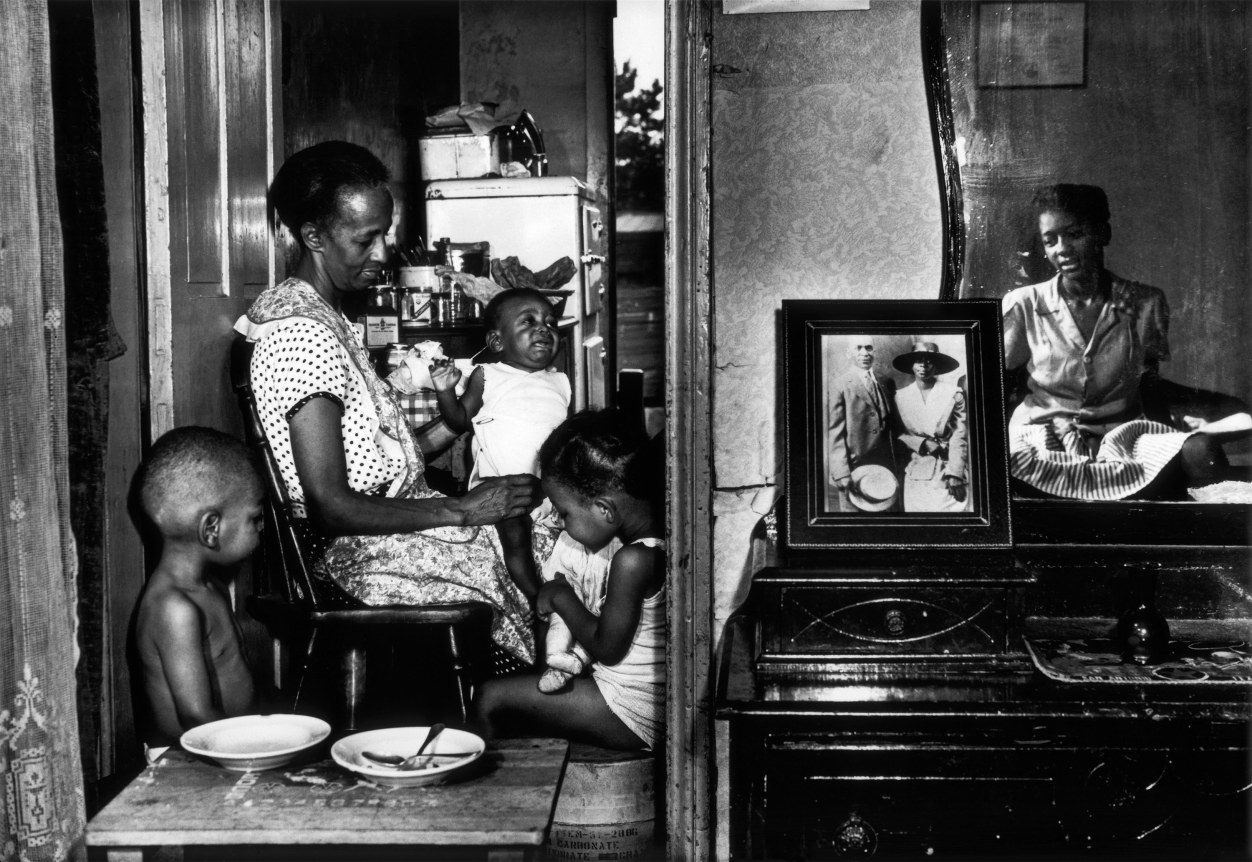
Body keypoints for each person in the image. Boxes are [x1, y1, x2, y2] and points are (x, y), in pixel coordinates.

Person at [233, 140, 546, 667]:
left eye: (387, 233)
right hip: (355, 555)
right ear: (313, 236)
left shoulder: (321, 313)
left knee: (543, 524)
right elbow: (333, 506)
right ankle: (527, 698)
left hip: (384, 521)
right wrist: (463, 507)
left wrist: (455, 426)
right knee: (536, 565)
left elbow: (370, 459)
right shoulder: (300, 337)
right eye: (365, 239)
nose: (383, 254)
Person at [1003, 183, 1250, 500]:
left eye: (1075, 234)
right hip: (1043, 434)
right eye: (1050, 241)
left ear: (1102, 234)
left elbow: (1148, 382)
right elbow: (1001, 381)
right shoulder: (1025, 304)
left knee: (1200, 451)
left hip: (1122, 435)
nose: (1061, 248)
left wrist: (1200, 412)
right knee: (1004, 461)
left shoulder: (1146, 303)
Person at [472, 409, 666, 751]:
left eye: (565, 513)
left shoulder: (633, 559)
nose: (561, 523)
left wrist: (562, 596)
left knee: (489, 697)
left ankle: (493, 798)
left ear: (605, 509)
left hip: (632, 708)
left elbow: (607, 648)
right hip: (629, 695)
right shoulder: (646, 542)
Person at [430, 287, 571, 613]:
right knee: (516, 534)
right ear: (497, 342)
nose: (543, 328)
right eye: (529, 322)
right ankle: (537, 595)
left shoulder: (560, 381)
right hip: (500, 492)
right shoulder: (489, 375)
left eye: (550, 323)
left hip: (547, 490)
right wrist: (445, 391)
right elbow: (460, 420)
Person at [133, 426, 261, 756]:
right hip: (185, 757)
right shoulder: (174, 608)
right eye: (255, 518)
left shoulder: (209, 587)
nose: (261, 528)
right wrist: (254, 750)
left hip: (223, 744)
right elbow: (195, 715)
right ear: (212, 529)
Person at [892, 341, 970, 512]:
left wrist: (955, 473)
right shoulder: (900, 396)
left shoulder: (953, 394)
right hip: (917, 469)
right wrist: (922, 443)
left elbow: (960, 434)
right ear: (911, 365)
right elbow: (898, 433)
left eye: (929, 360)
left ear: (938, 365)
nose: (924, 365)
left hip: (947, 467)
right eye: (918, 360)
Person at [828, 336, 899, 512]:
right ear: (848, 353)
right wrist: (841, 472)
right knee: (855, 525)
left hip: (886, 469)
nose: (864, 353)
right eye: (858, 348)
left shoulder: (886, 382)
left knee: (886, 526)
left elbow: (893, 425)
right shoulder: (839, 385)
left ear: (874, 352)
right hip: (855, 470)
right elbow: (833, 432)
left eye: (868, 348)